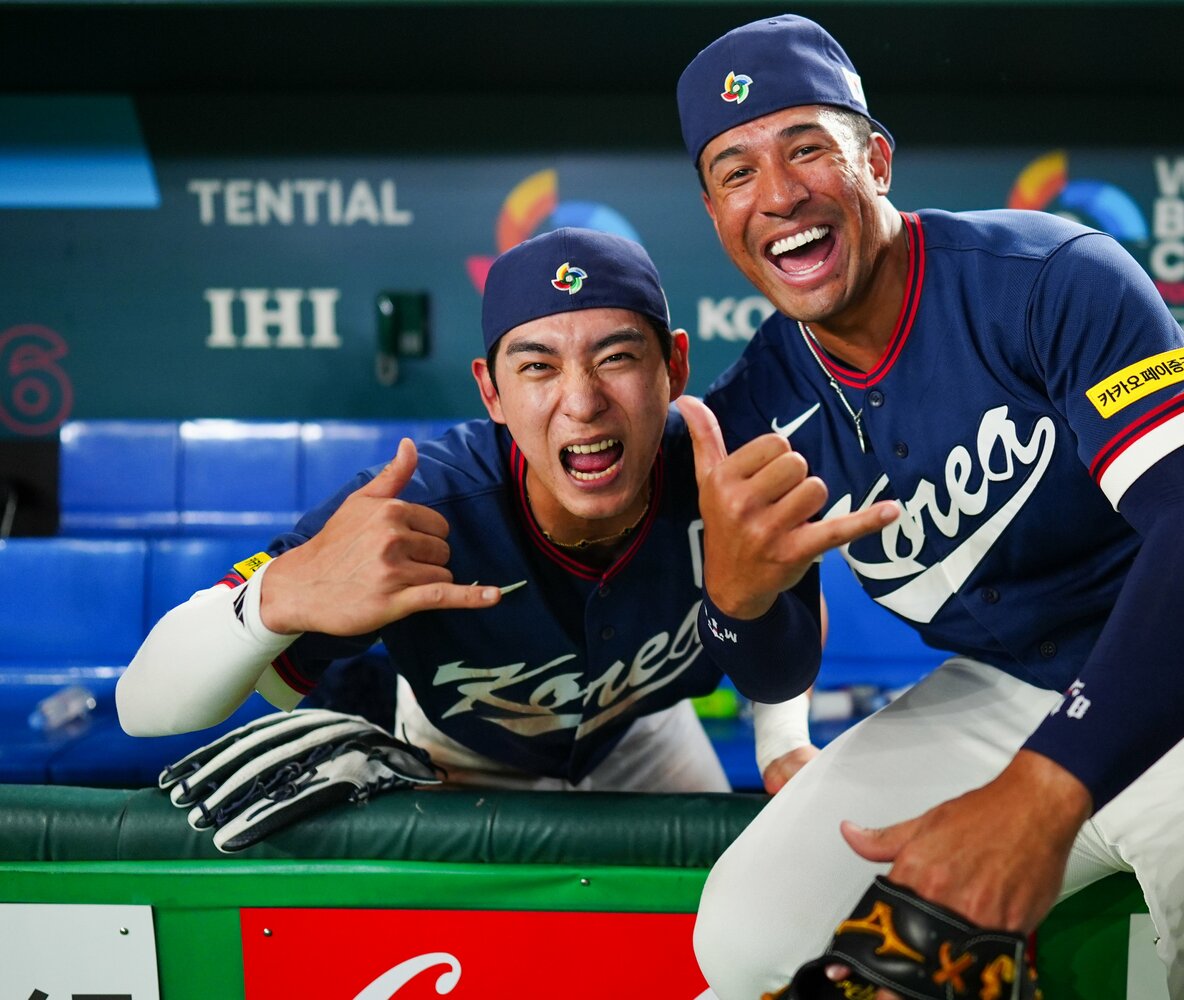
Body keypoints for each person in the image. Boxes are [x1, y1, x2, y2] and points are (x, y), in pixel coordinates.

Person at [675, 15, 1184, 999]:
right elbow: (776, 663)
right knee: (747, 934)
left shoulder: (1043, 279)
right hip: (1005, 687)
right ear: (714, 213)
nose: (781, 193)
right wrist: (739, 602)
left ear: (876, 160)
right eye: (736, 171)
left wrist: (1045, 785)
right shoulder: (753, 408)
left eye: (809, 149)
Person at [117, 227, 813, 796]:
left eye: (618, 356)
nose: (582, 401)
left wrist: (784, 743)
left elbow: (781, 631)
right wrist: (280, 595)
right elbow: (141, 706)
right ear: (492, 394)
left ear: (675, 367)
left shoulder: (720, 476)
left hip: (645, 739)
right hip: (459, 761)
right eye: (537, 367)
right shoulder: (424, 505)